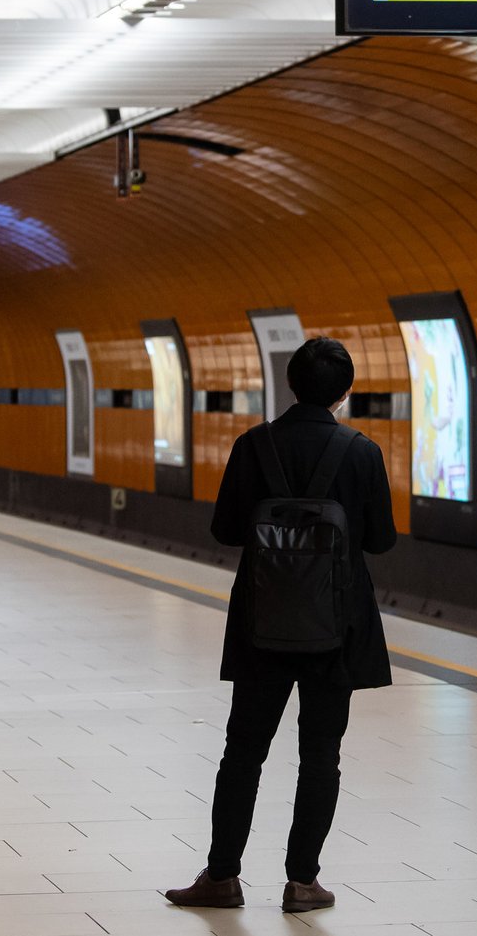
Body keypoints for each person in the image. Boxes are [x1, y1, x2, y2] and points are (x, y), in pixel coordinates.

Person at [165, 338, 396, 914]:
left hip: (262, 622)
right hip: (335, 628)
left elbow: (225, 530)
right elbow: (381, 540)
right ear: (345, 391)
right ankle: (302, 883)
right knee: (321, 754)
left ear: (291, 384)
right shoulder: (361, 452)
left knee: (243, 751)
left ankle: (220, 877)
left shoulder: (252, 446)